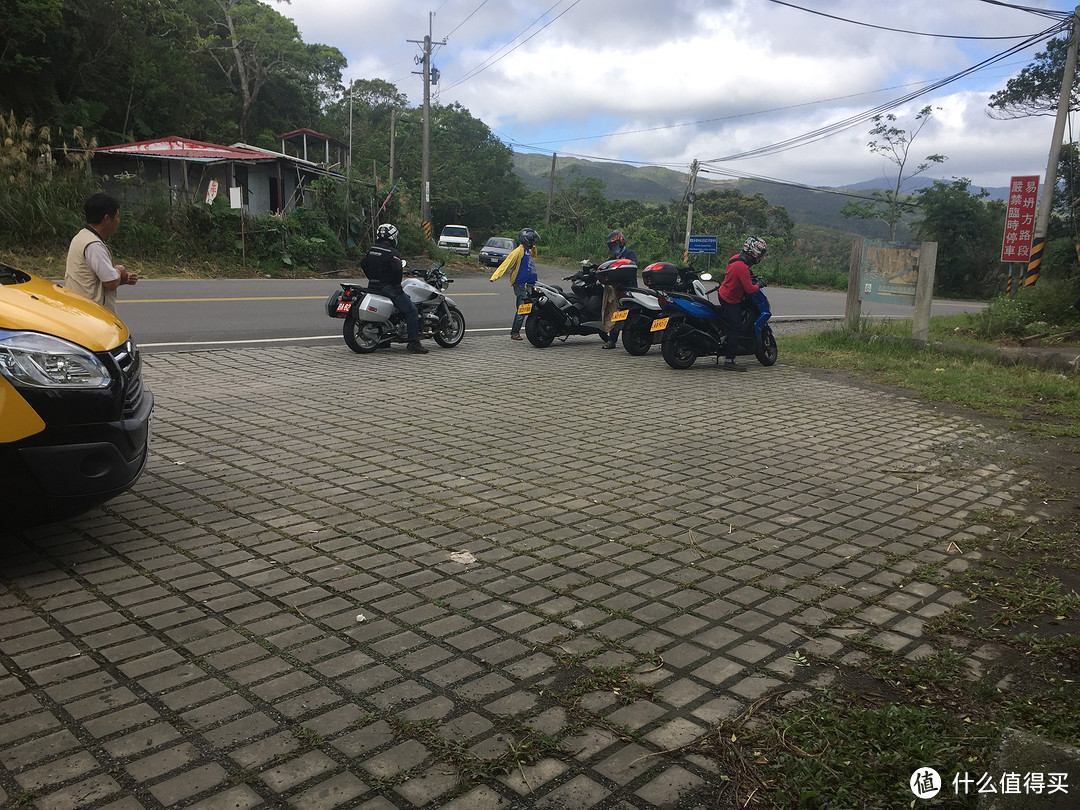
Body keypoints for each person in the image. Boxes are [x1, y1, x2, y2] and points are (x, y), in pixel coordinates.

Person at [64, 193, 138, 314]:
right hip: (92, 314)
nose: (118, 221)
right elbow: (111, 282)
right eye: (117, 217)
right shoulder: (94, 245)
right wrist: (119, 270)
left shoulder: (82, 236)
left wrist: (122, 279)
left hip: (79, 309)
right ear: (107, 219)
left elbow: (97, 278)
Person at [361, 223, 428, 354]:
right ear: (393, 237)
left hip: (373, 286)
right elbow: (397, 269)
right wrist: (397, 284)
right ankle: (414, 342)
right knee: (412, 311)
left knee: (391, 312)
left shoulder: (372, 250)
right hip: (388, 288)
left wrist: (371, 277)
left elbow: (364, 264)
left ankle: (385, 340)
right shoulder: (392, 252)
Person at [717, 236, 767, 371]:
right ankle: (729, 360)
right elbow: (750, 289)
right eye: (760, 254)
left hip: (723, 292)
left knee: (730, 321)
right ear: (754, 252)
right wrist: (759, 285)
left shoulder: (734, 258)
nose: (760, 258)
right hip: (731, 299)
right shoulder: (742, 267)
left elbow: (735, 275)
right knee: (737, 327)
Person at [489, 227, 539, 340]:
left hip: (529, 284)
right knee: (523, 308)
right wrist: (495, 276)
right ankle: (515, 332)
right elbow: (506, 264)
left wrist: (533, 247)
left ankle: (532, 328)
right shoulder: (518, 251)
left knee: (532, 307)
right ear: (526, 240)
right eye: (532, 240)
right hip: (521, 284)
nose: (533, 242)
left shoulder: (527, 251)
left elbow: (534, 256)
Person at [601, 230, 638, 349]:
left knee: (630, 315)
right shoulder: (612, 257)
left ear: (621, 243)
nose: (614, 248)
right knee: (615, 314)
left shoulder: (630, 254)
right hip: (616, 291)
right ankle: (612, 340)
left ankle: (634, 337)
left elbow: (631, 267)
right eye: (612, 246)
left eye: (615, 245)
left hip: (630, 290)